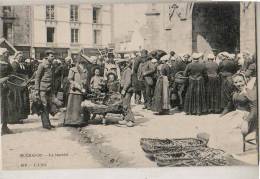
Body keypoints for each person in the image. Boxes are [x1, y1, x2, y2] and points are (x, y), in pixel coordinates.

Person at [64, 57, 90, 127]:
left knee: (79, 107)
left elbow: (86, 81)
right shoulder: (73, 69)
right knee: (73, 106)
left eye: (84, 63)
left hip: (82, 91)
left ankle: (78, 121)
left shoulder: (85, 71)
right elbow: (70, 79)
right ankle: (70, 121)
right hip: (74, 90)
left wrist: (85, 87)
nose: (83, 65)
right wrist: (76, 85)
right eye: (81, 63)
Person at [34, 50, 56, 129]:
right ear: (47, 57)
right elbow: (37, 78)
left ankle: (48, 123)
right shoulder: (42, 65)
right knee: (44, 106)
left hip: (49, 89)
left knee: (49, 106)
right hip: (42, 89)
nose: (53, 57)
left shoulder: (51, 65)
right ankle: (45, 124)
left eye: (53, 56)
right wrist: (37, 90)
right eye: (52, 56)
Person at [11, 51, 30, 123]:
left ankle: (21, 116)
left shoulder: (20, 64)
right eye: (19, 57)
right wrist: (23, 77)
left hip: (22, 84)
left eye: (22, 57)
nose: (21, 58)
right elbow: (14, 74)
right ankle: (17, 117)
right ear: (16, 57)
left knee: (23, 100)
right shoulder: (14, 64)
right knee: (19, 100)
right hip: (17, 85)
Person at [0, 48, 15, 135]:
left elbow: (12, 73)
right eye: (6, 53)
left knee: (5, 107)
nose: (7, 54)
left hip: (6, 87)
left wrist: (7, 78)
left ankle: (4, 127)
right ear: (2, 54)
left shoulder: (8, 64)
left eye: (8, 53)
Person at [119, 60, 135, 127]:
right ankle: (126, 119)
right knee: (124, 104)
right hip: (125, 90)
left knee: (127, 105)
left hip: (127, 90)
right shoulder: (124, 70)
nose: (120, 66)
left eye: (120, 65)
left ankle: (131, 120)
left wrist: (124, 89)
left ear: (123, 64)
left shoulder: (128, 70)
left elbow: (128, 82)